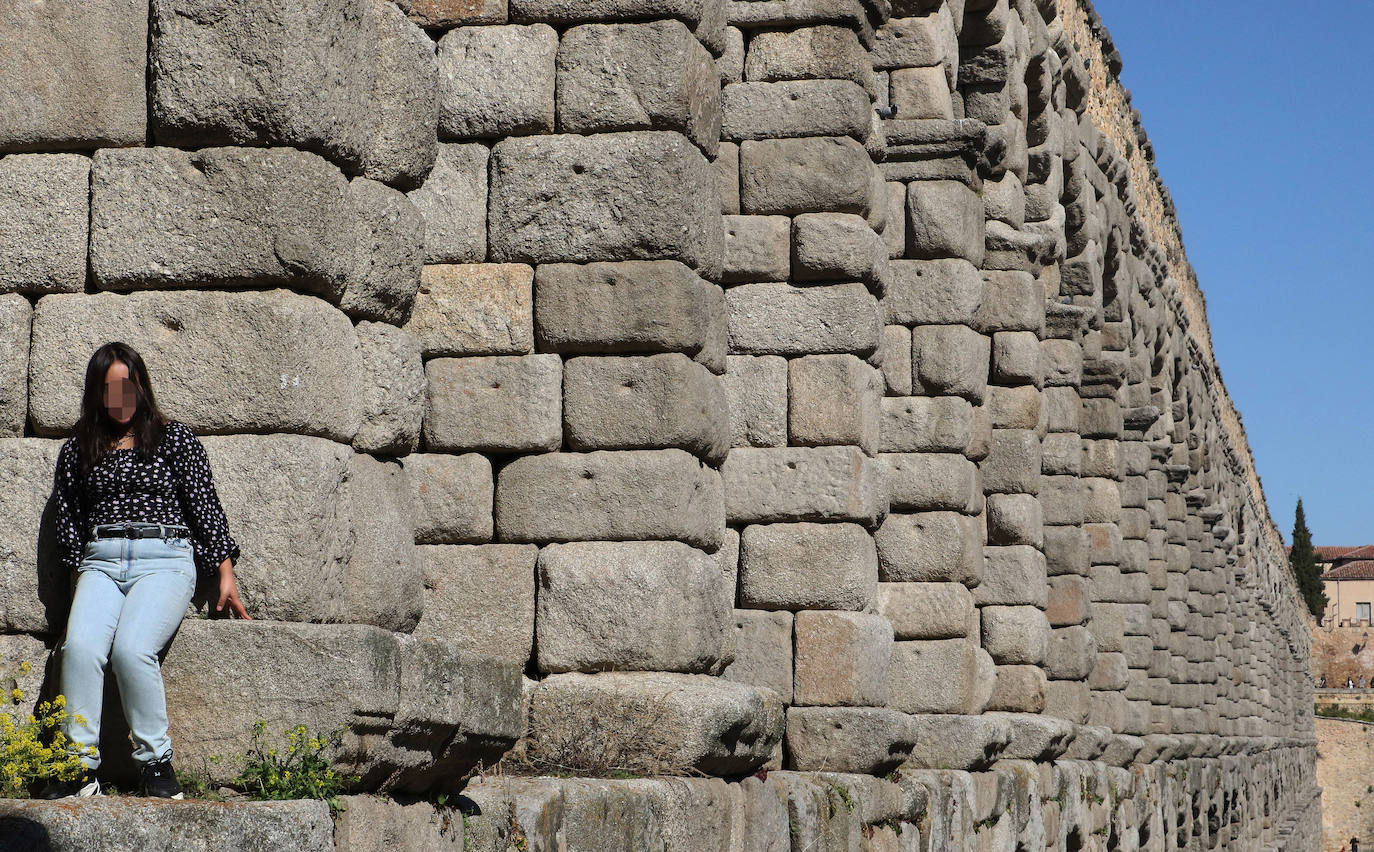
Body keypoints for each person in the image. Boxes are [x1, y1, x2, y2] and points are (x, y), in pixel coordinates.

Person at [40, 342, 250, 799]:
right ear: (96, 393)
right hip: (101, 562)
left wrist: (224, 571)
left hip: (165, 558)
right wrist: (83, 576)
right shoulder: (79, 449)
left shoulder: (175, 439)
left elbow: (204, 507)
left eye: (127, 386)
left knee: (132, 649)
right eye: (109, 388)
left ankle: (156, 764)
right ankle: (79, 769)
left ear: (140, 385)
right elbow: (70, 521)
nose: (119, 397)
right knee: (78, 649)